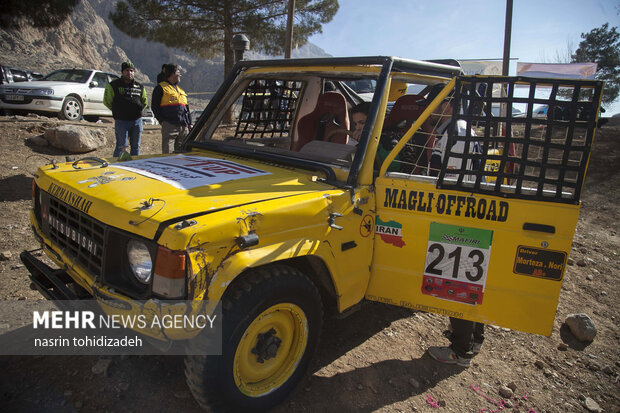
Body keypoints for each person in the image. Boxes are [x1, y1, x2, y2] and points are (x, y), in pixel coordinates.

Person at [416, 83, 485, 367]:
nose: (431, 108)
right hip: (463, 214)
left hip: (459, 217)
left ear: (447, 104)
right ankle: (472, 338)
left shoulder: (455, 131)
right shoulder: (452, 129)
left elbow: (450, 180)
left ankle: (461, 350)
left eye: (435, 103)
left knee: (458, 281)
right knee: (466, 281)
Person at [103, 61, 148, 157]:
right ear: (122, 72)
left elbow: (144, 102)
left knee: (136, 146)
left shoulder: (140, 87)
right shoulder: (113, 85)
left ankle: (135, 166)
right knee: (121, 146)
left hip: (136, 121)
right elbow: (107, 101)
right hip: (121, 121)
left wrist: (137, 111)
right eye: (127, 70)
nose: (129, 73)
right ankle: (117, 166)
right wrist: (117, 110)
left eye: (132, 71)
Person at [152, 64, 192, 153]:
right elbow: (155, 106)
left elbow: (186, 109)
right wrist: (162, 121)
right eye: (178, 72)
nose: (180, 75)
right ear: (172, 74)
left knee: (182, 152)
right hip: (169, 125)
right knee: (168, 152)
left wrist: (190, 123)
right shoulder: (161, 88)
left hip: (183, 127)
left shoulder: (180, 90)